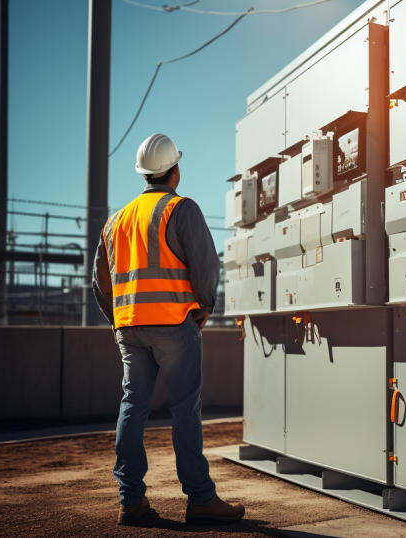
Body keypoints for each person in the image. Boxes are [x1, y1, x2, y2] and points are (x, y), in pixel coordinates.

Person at [93, 133, 245, 526]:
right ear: (174, 170)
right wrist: (206, 303)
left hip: (130, 328)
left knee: (132, 407)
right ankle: (200, 499)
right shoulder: (181, 208)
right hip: (175, 324)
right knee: (185, 411)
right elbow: (206, 265)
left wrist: (119, 319)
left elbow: (101, 283)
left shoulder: (116, 221)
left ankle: (131, 500)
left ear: (143, 175)